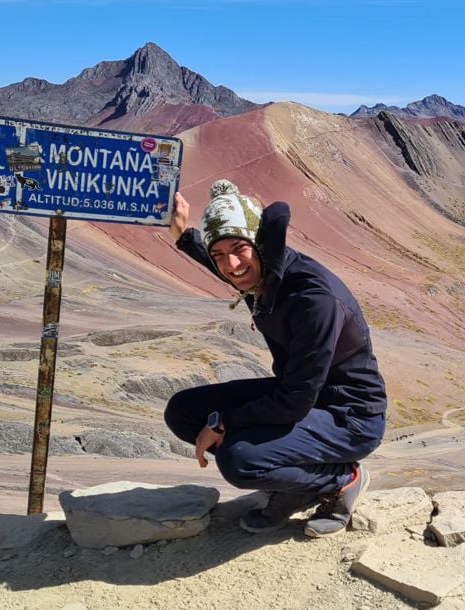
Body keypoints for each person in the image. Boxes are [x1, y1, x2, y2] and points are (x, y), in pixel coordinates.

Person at [163, 179, 387, 538]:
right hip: (301, 396)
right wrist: (184, 237)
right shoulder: (264, 274)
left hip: (349, 417)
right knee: (183, 411)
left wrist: (225, 423)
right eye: (218, 254)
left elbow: (296, 400)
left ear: (261, 245)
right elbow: (232, 266)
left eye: (239, 249)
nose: (231, 265)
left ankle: (339, 481)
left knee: (241, 461)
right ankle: (294, 483)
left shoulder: (314, 299)